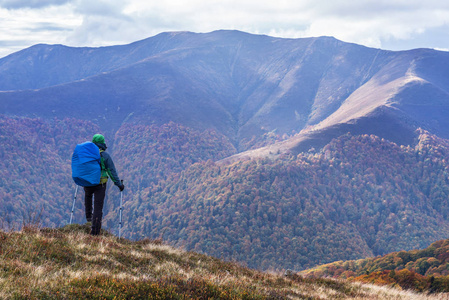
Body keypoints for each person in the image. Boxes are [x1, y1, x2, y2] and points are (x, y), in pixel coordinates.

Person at [84, 134, 125, 235]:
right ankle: (95, 231)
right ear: (102, 144)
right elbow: (111, 171)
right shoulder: (105, 156)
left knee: (88, 197)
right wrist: (119, 184)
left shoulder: (87, 153)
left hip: (88, 182)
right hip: (100, 184)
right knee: (98, 206)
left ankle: (89, 217)